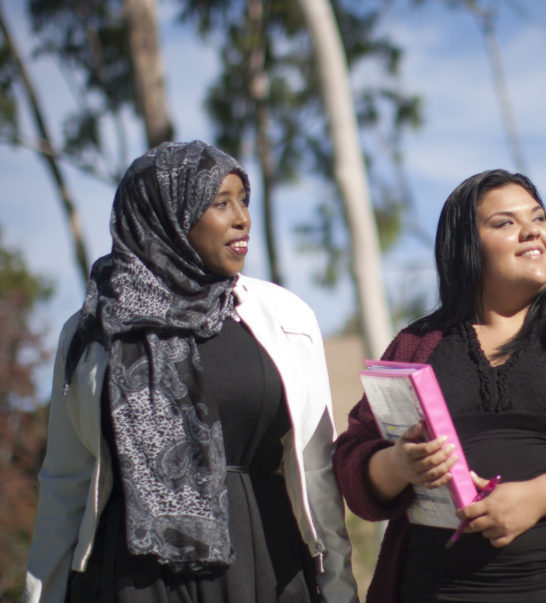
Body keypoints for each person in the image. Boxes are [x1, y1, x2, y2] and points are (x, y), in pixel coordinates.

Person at [25, 141, 357, 603]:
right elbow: (66, 481)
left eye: (244, 199)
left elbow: (317, 468)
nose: (242, 217)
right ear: (164, 216)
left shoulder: (286, 318)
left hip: (267, 563)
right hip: (128, 579)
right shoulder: (95, 329)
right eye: (220, 203)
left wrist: (339, 585)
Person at [334, 169, 546, 602]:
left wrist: (535, 498)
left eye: (539, 218)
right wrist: (399, 466)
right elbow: (352, 461)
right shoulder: (415, 345)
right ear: (465, 248)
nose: (531, 231)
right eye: (505, 223)